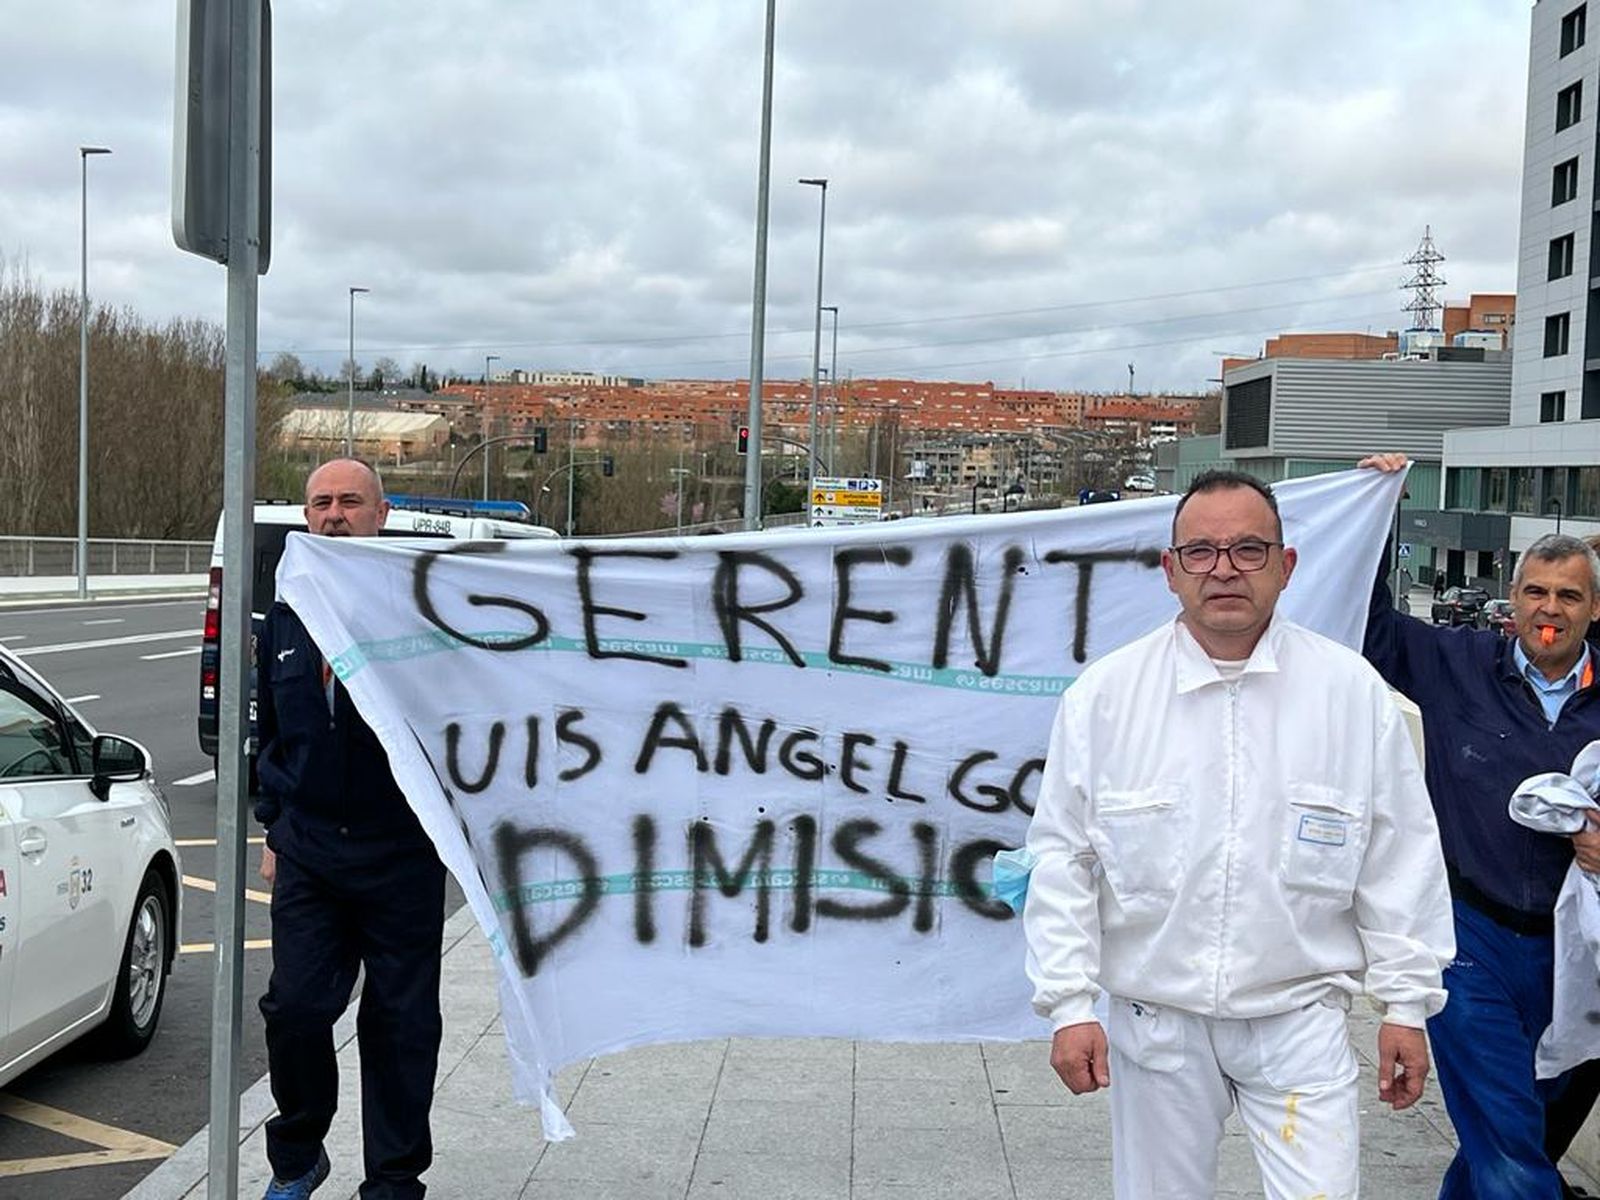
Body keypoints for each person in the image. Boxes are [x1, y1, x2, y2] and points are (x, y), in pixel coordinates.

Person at [1022, 468, 1455, 1200]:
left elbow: (1399, 856)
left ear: (1287, 566)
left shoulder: (1350, 694)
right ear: (1170, 570)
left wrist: (1406, 1006)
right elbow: (1064, 857)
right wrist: (1068, 1006)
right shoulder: (1107, 697)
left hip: (1300, 1018)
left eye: (1249, 549)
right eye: (1201, 551)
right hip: (1157, 1021)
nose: (1224, 569)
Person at [1361, 453, 1600, 1200]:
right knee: (1506, 1138)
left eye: (1568, 595)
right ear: (1512, 599)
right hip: (1472, 941)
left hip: (1582, 956)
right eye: (1535, 591)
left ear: (1594, 608)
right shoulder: (1457, 663)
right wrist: (1379, 511)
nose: (1549, 608)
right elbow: (1368, 626)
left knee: (1524, 1135)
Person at [255, 458, 446, 1200]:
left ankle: (394, 1181)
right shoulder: (286, 613)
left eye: (349, 501)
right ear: (307, 516)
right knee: (296, 1010)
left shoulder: (418, 604)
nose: (333, 514)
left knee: (400, 1025)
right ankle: (298, 1153)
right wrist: (273, 826)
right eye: (320, 503)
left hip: (401, 852)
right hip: (308, 852)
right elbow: (273, 732)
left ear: (381, 514)